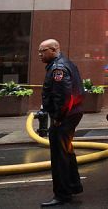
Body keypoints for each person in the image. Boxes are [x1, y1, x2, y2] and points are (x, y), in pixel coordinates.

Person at [39, 39, 85, 206]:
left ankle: (62, 195)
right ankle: (73, 185)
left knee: (59, 157)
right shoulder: (66, 64)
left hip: (64, 117)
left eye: (43, 51)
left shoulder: (58, 68)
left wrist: (58, 118)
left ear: (54, 49)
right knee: (67, 151)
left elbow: (63, 96)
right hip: (71, 115)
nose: (40, 54)